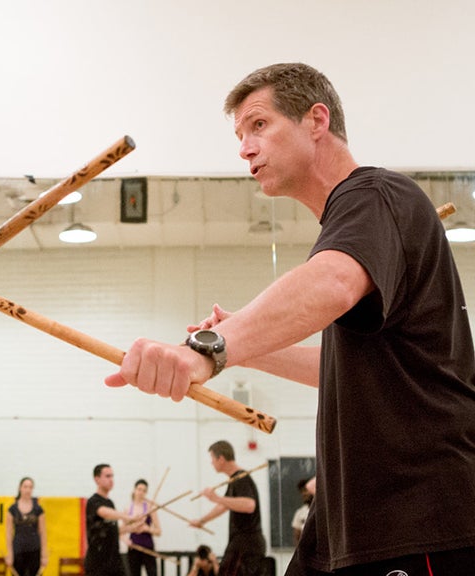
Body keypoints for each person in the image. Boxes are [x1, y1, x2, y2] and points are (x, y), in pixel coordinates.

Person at [105, 61, 475, 575]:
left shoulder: (375, 194)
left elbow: (331, 282)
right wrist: (252, 347)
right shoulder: (363, 218)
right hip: (351, 527)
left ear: (316, 120)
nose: (244, 148)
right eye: (239, 135)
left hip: (418, 520)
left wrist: (210, 349)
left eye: (259, 125)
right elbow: (340, 366)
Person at [188, 441, 265, 576]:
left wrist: (215, 497)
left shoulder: (241, 478)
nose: (211, 463)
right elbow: (223, 506)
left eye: (212, 458)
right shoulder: (234, 480)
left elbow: (249, 505)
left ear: (221, 459)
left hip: (247, 542)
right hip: (241, 542)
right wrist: (202, 521)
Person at [84, 464, 136, 576]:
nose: (111, 480)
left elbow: (112, 529)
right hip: (98, 563)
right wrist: (125, 516)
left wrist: (131, 528)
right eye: (107, 476)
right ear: (97, 479)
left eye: (112, 476)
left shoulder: (110, 503)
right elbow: (104, 513)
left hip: (114, 562)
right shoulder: (93, 501)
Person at [5, 477, 48, 576]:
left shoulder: (38, 510)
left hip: (34, 550)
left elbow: (43, 533)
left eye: (30, 487)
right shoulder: (12, 510)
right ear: (20, 488)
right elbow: (8, 533)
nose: (28, 490)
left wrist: (44, 555)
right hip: (18, 551)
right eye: (25, 487)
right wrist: (9, 554)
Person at [124, 479, 161, 576]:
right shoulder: (128, 509)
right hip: (133, 548)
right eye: (139, 489)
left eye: (144, 490)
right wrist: (125, 540)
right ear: (134, 490)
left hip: (148, 547)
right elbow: (121, 531)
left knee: (152, 573)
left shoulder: (150, 508)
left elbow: (159, 531)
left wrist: (147, 529)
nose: (141, 492)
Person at [290, 478, 313, 546]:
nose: (303, 494)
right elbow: (296, 536)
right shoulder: (299, 513)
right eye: (301, 491)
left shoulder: (322, 510)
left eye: (305, 491)